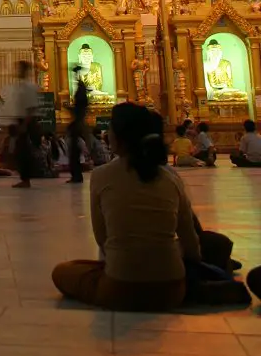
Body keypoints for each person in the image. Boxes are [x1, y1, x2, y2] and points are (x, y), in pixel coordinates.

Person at [52, 103, 202, 310]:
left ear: (119, 137)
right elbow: (191, 241)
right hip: (172, 289)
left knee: (63, 272)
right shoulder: (170, 177)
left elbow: (102, 239)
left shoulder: (101, 175)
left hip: (120, 289)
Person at [11, 61, 39, 188]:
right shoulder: (21, 86)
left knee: (24, 151)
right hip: (22, 120)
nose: (17, 71)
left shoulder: (29, 87)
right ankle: (25, 177)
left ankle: (26, 179)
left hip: (27, 121)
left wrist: (24, 125)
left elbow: (31, 108)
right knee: (21, 150)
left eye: (20, 69)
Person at [68, 66, 89, 184]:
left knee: (74, 149)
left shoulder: (81, 87)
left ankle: (76, 175)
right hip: (78, 118)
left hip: (78, 118)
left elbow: (81, 104)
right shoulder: (81, 86)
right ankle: (76, 175)